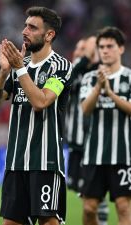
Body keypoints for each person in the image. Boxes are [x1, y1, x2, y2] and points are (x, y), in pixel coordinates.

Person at [0, 6, 72, 225]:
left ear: (49, 34)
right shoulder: (19, 64)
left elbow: (41, 102)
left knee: (48, 222)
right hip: (15, 162)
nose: (25, 31)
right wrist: (5, 71)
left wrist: (19, 70)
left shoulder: (60, 66)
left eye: (33, 27)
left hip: (44, 161)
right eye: (25, 25)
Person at [80, 26, 131, 225]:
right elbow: (85, 109)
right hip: (94, 154)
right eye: (101, 47)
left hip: (123, 154)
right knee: (89, 208)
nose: (105, 51)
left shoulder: (129, 77)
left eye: (110, 46)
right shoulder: (90, 78)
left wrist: (110, 94)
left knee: (123, 206)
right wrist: (99, 89)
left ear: (121, 49)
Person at [65, 37, 109, 225]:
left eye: (83, 47)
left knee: (91, 201)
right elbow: (68, 80)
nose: (79, 50)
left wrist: (92, 54)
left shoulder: (100, 73)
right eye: (77, 47)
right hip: (76, 145)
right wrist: (84, 57)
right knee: (88, 199)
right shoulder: (71, 71)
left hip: (96, 144)